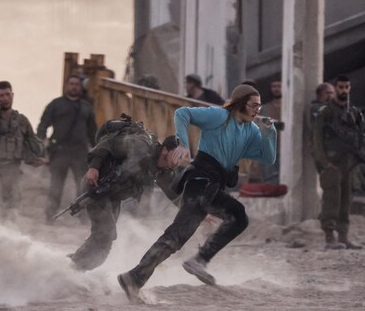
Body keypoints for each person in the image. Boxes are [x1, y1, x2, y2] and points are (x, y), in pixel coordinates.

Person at [118, 84, 277, 302]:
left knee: (174, 239)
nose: (258, 110)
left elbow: (268, 158)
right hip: (200, 183)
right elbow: (182, 113)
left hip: (208, 189)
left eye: (260, 106)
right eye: (254, 105)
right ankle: (199, 260)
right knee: (239, 215)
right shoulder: (220, 116)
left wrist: (270, 133)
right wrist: (183, 144)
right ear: (240, 102)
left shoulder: (250, 131)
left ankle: (134, 277)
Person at [69, 118, 181, 271]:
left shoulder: (163, 172)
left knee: (104, 239)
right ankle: (74, 267)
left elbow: (175, 194)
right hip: (95, 186)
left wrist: (197, 213)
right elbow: (107, 145)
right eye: (177, 155)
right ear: (166, 149)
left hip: (112, 197)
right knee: (105, 235)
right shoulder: (141, 146)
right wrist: (93, 168)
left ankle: (73, 265)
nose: (178, 161)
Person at [0, 81, 45, 220]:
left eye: (7, 94)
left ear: (13, 95)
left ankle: (8, 234)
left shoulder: (21, 120)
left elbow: (28, 143)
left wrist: (34, 159)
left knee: (12, 207)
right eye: (1, 95)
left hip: (12, 169)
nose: (5, 98)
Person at [313, 75, 365, 250]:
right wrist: (324, 162)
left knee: (346, 201)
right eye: (341, 87)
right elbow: (317, 139)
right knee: (331, 200)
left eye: (347, 87)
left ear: (350, 88)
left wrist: (359, 155)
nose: (344, 90)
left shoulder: (354, 112)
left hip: (349, 163)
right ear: (335, 88)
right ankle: (329, 237)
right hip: (332, 162)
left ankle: (343, 237)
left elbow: (361, 136)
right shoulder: (326, 112)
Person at [37, 74, 97, 223]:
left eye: (76, 84)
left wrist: (96, 151)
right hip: (60, 151)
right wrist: (41, 144)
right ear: (66, 85)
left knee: (83, 186)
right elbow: (43, 125)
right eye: (71, 83)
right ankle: (50, 217)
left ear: (80, 87)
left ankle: (84, 218)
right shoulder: (56, 105)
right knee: (56, 185)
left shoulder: (86, 107)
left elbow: (93, 132)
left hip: (79, 152)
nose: (74, 86)